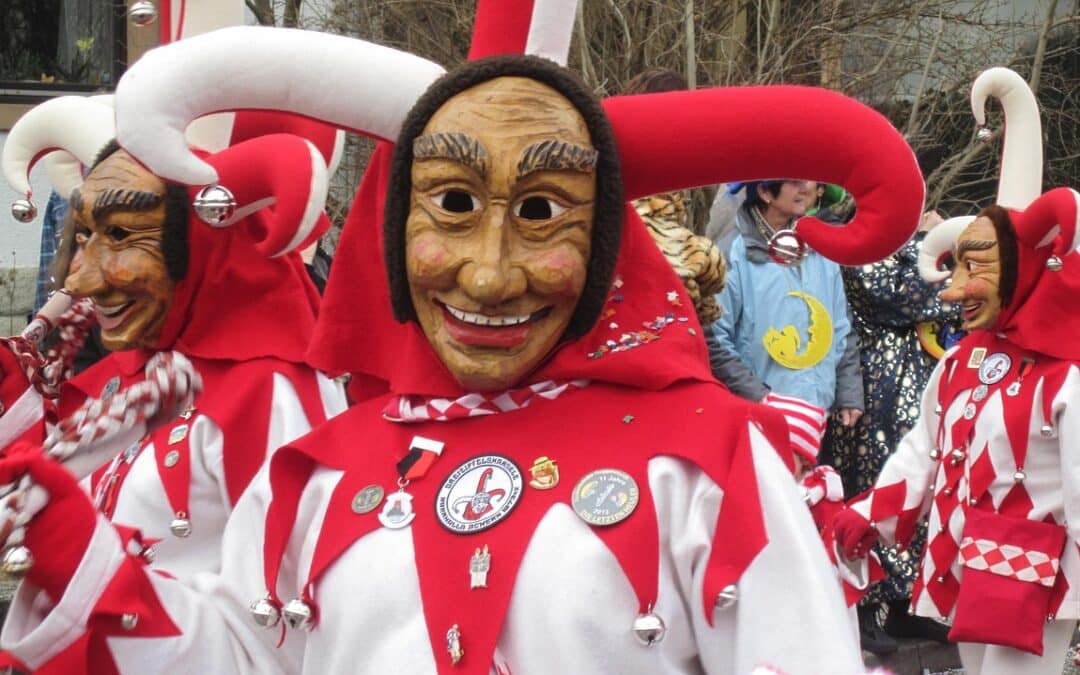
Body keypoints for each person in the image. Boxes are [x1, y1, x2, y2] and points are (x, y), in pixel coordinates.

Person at [0, 12, 926, 673]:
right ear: (391, 229)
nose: (488, 276)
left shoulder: (709, 463)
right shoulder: (315, 476)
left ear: (603, 238)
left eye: (541, 212)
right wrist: (81, 561)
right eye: (451, 203)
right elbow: (243, 655)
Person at [835, 190, 1080, 674]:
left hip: (1035, 570)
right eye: (955, 270)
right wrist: (870, 511)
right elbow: (925, 447)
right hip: (965, 562)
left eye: (975, 270)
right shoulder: (961, 360)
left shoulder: (1067, 374)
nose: (951, 291)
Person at [822, 210, 959, 653]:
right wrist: (926, 243)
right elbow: (902, 297)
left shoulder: (898, 249)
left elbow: (947, 294)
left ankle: (906, 606)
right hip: (872, 383)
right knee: (872, 487)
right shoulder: (857, 245)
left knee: (916, 489)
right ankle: (865, 609)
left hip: (912, 380)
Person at [710, 179, 864, 425]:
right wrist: (760, 396)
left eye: (809, 179)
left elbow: (840, 327)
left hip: (816, 413)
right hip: (759, 416)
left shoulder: (821, 247)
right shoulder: (733, 252)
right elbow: (714, 339)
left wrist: (849, 392)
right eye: (794, 181)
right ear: (765, 192)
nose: (806, 187)